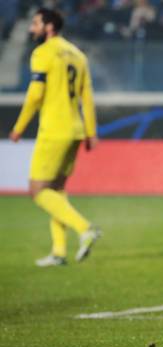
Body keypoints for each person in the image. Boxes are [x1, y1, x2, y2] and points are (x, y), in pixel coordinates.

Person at [8, 8, 101, 267]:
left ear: (49, 27)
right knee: (57, 191)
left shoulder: (43, 53)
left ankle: (85, 228)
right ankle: (59, 252)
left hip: (54, 130)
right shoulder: (78, 55)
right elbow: (87, 98)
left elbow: (35, 95)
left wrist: (19, 126)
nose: (30, 29)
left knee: (38, 191)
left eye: (35, 24)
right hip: (75, 130)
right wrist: (91, 132)